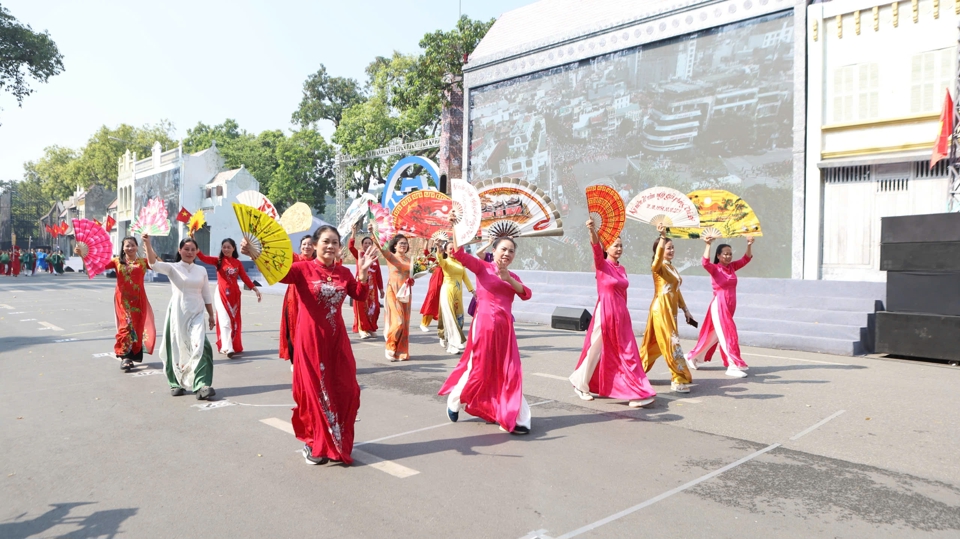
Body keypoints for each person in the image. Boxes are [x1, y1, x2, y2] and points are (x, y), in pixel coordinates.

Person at [242, 225, 379, 466]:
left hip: (337, 342)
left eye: (335, 242)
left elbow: (358, 294)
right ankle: (314, 441)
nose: (331, 246)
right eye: (326, 241)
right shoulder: (302, 269)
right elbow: (278, 275)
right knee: (315, 393)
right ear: (315, 245)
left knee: (347, 389)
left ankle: (335, 439)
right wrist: (255, 254)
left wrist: (364, 272)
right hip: (310, 341)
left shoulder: (344, 272)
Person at [439, 234, 533, 435]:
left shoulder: (512, 276)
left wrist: (507, 278)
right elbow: (458, 253)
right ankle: (454, 401)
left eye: (511, 251)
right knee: (478, 368)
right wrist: (457, 228)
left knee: (510, 370)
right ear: (494, 251)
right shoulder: (483, 267)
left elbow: (526, 294)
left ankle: (519, 417)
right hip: (484, 326)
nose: (507, 253)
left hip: (505, 329)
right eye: (503, 249)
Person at [569, 218, 656, 407]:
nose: (618, 248)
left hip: (621, 315)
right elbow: (594, 247)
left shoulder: (621, 268)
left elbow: (623, 294)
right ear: (606, 248)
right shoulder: (602, 265)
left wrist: (624, 316)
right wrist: (592, 231)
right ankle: (581, 383)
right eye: (615, 245)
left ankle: (633, 389)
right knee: (596, 349)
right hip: (605, 313)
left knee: (627, 352)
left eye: (621, 246)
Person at [143, 234, 217, 400]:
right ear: (180, 250)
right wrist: (147, 243)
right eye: (186, 249)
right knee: (175, 348)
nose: (189, 252)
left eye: (193, 249)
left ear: (197, 251)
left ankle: (202, 385)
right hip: (178, 313)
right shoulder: (173, 267)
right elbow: (153, 264)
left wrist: (211, 315)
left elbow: (206, 294)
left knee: (201, 347)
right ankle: (175, 383)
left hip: (197, 313)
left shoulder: (202, 270)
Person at [685, 235, 755, 378]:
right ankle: (732, 365)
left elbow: (746, 259)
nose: (728, 256)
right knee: (728, 334)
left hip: (730, 306)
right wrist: (708, 244)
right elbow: (704, 262)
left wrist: (749, 244)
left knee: (713, 336)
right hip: (719, 305)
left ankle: (692, 357)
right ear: (719, 255)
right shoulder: (715, 268)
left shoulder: (732, 267)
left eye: (730, 254)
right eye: (725, 254)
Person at [640, 223, 696, 393]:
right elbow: (655, 264)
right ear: (660, 250)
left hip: (671, 312)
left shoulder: (672, 267)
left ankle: (634, 371)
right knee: (672, 342)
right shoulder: (660, 267)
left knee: (653, 344)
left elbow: (676, 291)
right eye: (667, 248)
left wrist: (685, 310)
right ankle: (677, 377)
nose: (671, 251)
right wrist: (663, 237)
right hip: (661, 310)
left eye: (672, 248)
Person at [89, 237, 157, 371]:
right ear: (123, 248)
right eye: (127, 246)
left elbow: (157, 264)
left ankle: (132, 356)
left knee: (137, 328)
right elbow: (97, 267)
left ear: (137, 247)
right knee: (125, 326)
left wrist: (148, 245)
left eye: (132, 245)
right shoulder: (116, 262)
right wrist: (83, 255)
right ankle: (125, 357)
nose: (130, 248)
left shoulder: (143, 262)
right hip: (123, 300)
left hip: (138, 300)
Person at [195, 237, 262, 358]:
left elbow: (244, 277)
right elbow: (203, 258)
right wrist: (194, 241)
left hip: (235, 295)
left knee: (233, 321)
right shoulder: (218, 261)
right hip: (221, 294)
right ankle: (227, 347)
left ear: (233, 248)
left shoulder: (237, 263)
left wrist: (255, 288)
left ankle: (233, 345)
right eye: (224, 247)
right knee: (225, 320)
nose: (226, 249)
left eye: (228, 247)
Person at [369, 228, 414, 361]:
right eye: (401, 243)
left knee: (404, 323)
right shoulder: (391, 257)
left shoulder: (411, 261)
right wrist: (373, 232)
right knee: (398, 321)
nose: (404, 245)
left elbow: (412, 276)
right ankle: (390, 346)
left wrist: (412, 280)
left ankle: (400, 351)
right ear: (395, 245)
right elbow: (381, 247)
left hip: (405, 293)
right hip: (393, 291)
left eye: (405, 243)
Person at [280, 235, 316, 367]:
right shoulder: (294, 258)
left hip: (309, 300)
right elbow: (278, 255)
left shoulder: (317, 263)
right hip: (293, 298)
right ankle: (294, 361)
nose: (307, 246)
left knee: (308, 330)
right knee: (292, 328)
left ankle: (308, 359)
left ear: (315, 247)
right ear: (300, 246)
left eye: (310, 244)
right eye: (304, 244)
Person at [434, 240, 474, 354]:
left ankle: (455, 340)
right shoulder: (446, 262)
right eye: (450, 248)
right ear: (446, 250)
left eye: (454, 248)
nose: (452, 251)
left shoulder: (460, 263)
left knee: (460, 317)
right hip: (448, 291)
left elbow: (465, 277)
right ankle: (451, 344)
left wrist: (472, 290)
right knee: (450, 318)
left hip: (458, 293)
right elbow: (440, 261)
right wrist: (438, 248)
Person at [348, 224, 384, 339]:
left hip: (372, 287)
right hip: (361, 284)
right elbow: (350, 247)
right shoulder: (359, 255)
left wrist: (381, 289)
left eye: (369, 243)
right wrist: (353, 232)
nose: (367, 245)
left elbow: (378, 274)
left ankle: (370, 327)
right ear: (362, 245)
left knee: (374, 308)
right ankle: (362, 329)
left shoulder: (375, 258)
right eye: (365, 243)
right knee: (362, 307)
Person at [419, 241, 443, 332]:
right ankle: (424, 323)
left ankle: (444, 324)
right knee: (431, 301)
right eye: (439, 247)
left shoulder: (448, 259)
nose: (441, 249)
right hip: (435, 283)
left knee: (443, 303)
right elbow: (425, 252)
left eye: (442, 247)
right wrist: (426, 240)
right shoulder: (436, 259)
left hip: (446, 284)